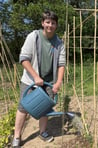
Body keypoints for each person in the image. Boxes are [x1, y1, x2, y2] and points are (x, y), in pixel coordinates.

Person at [12, 10, 66, 147]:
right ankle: (17, 136)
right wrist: (35, 77)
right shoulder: (33, 37)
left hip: (49, 81)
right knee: (23, 107)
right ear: (43, 23)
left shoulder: (59, 43)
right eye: (47, 22)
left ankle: (42, 132)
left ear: (56, 25)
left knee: (45, 107)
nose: (50, 25)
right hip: (31, 80)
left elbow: (61, 64)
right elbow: (24, 59)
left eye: (53, 23)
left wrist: (58, 82)